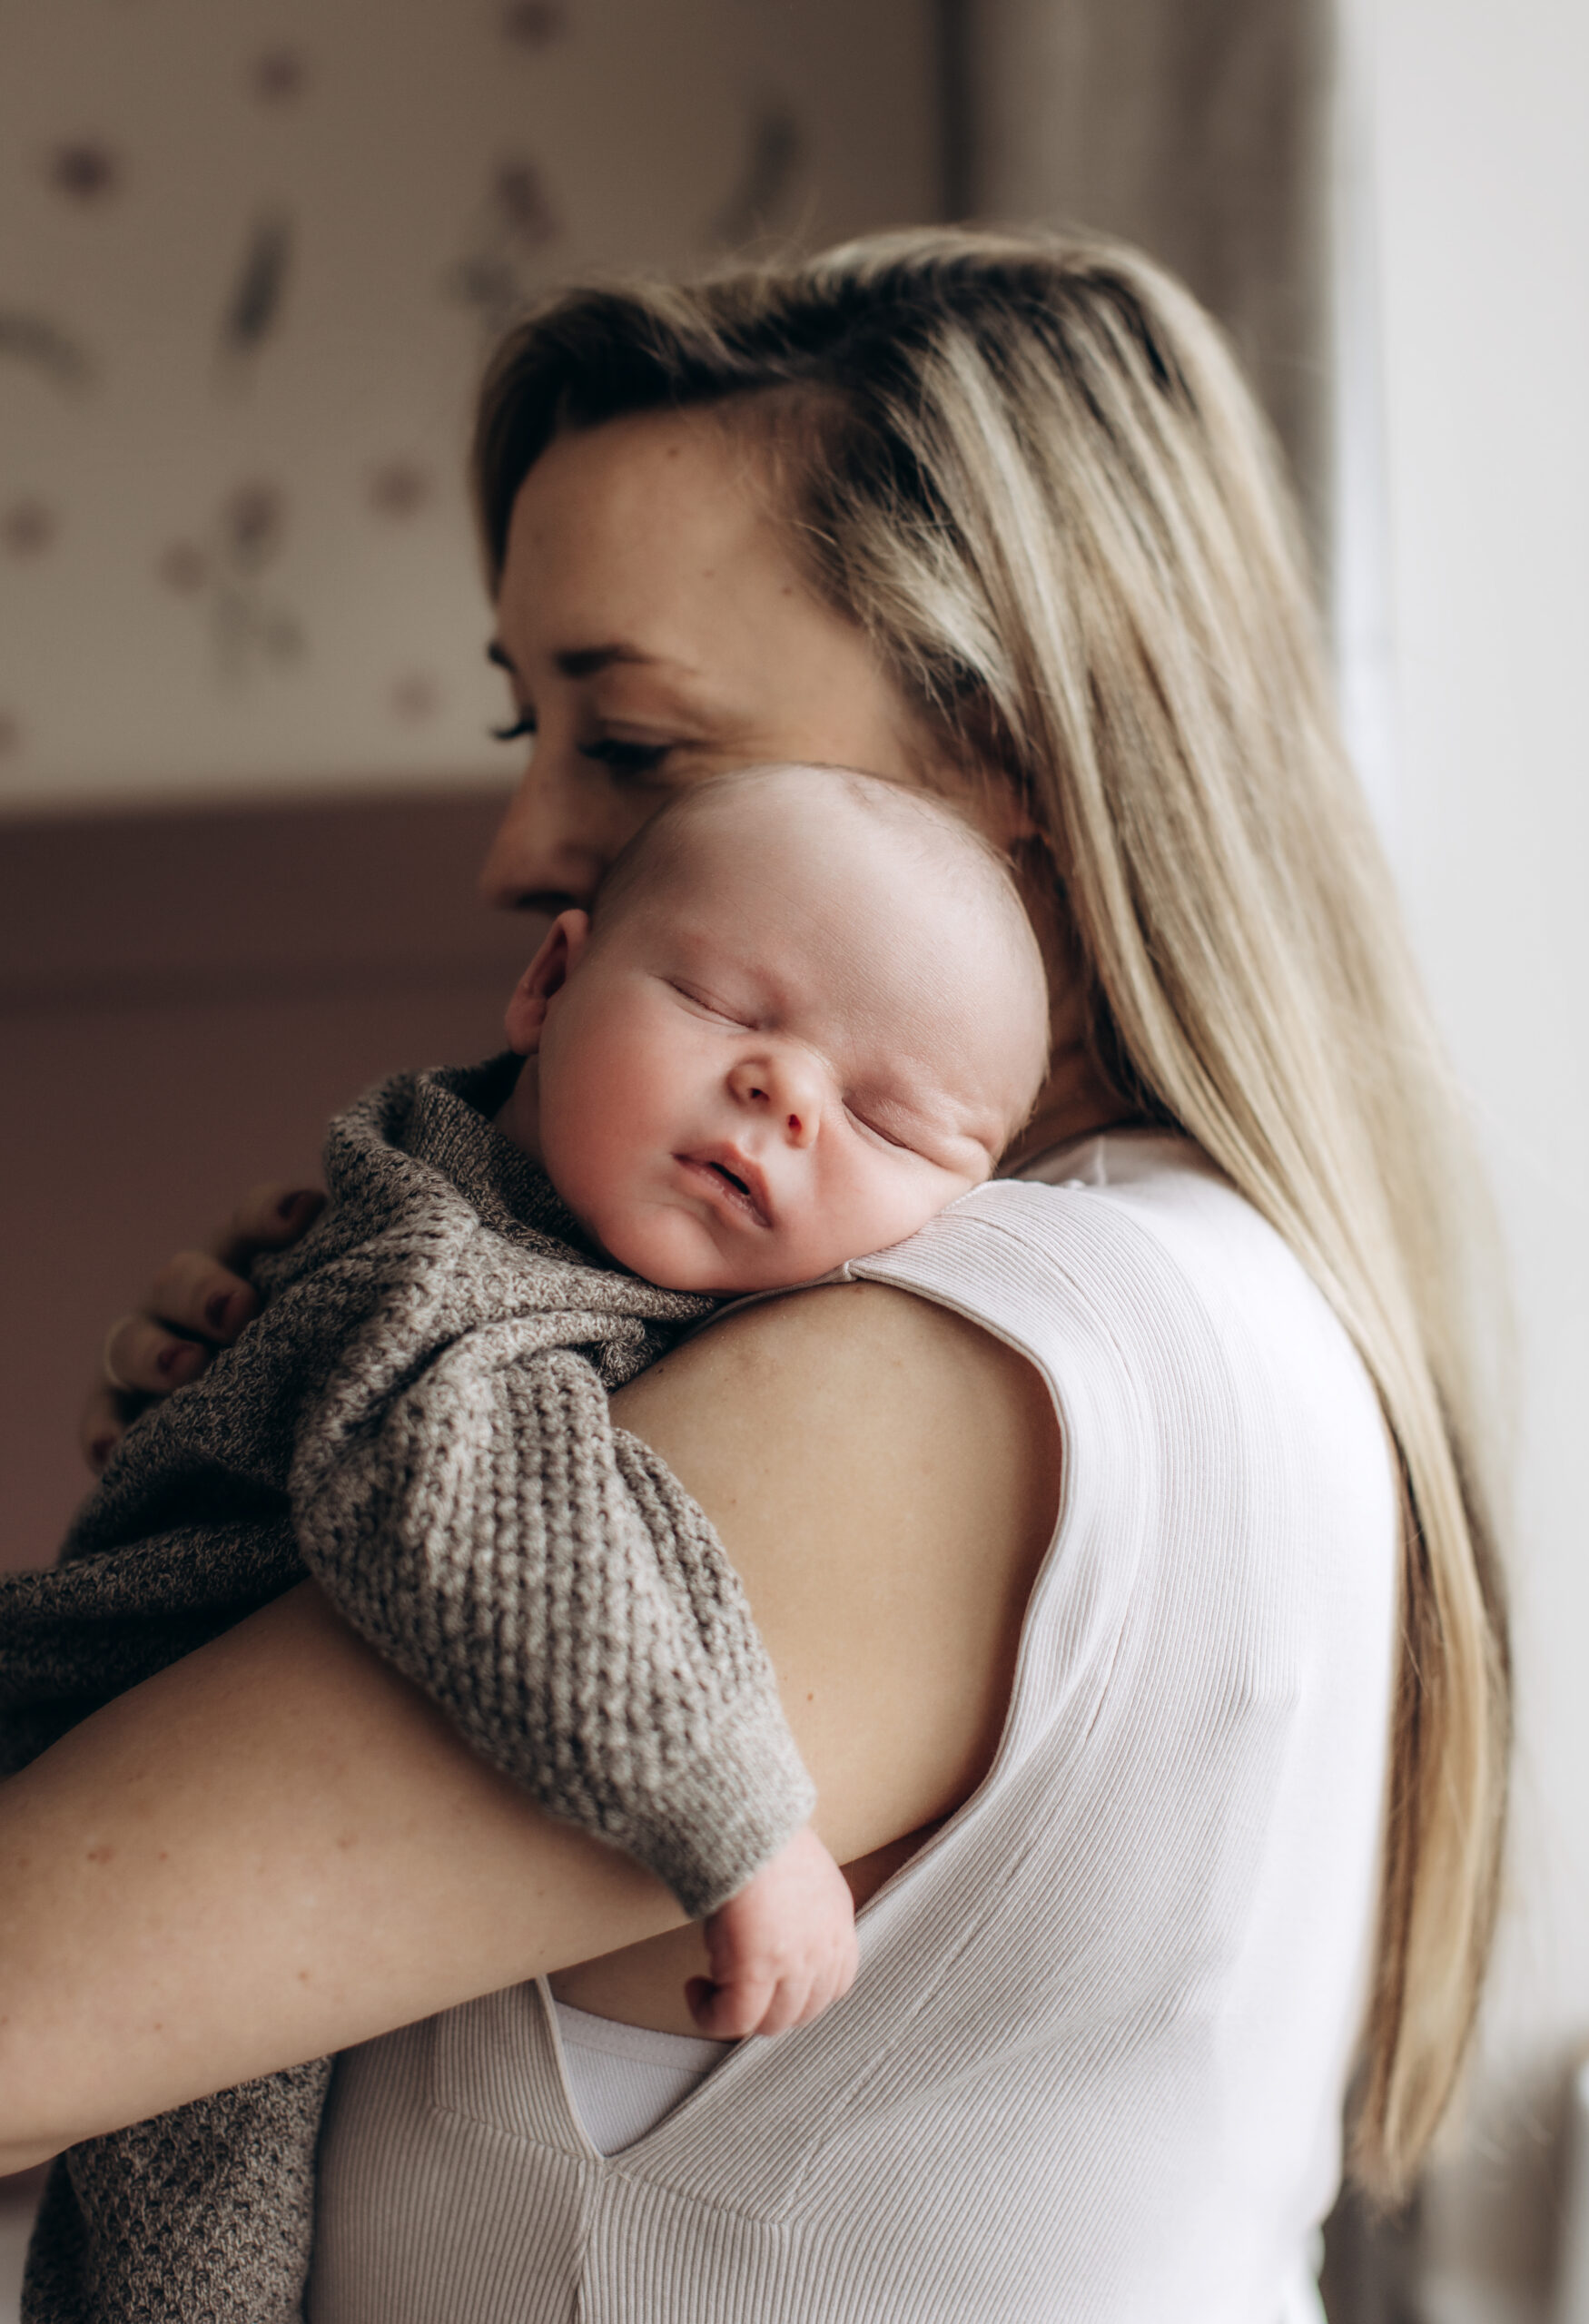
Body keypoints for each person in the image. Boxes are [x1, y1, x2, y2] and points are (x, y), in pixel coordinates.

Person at [1, 230, 1509, 2324]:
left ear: (1017, 757)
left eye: (628, 745)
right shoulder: (1216, 1296)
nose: (519, 843)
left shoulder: (933, 1374)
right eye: (523, 722)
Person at [3, 761, 1051, 2316]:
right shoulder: (451, 1268)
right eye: (718, 1003)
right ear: (550, 981)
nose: (785, 1094)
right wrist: (733, 1816)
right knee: (187, 2262)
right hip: (105, 1753)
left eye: (892, 1121)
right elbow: (473, 1520)